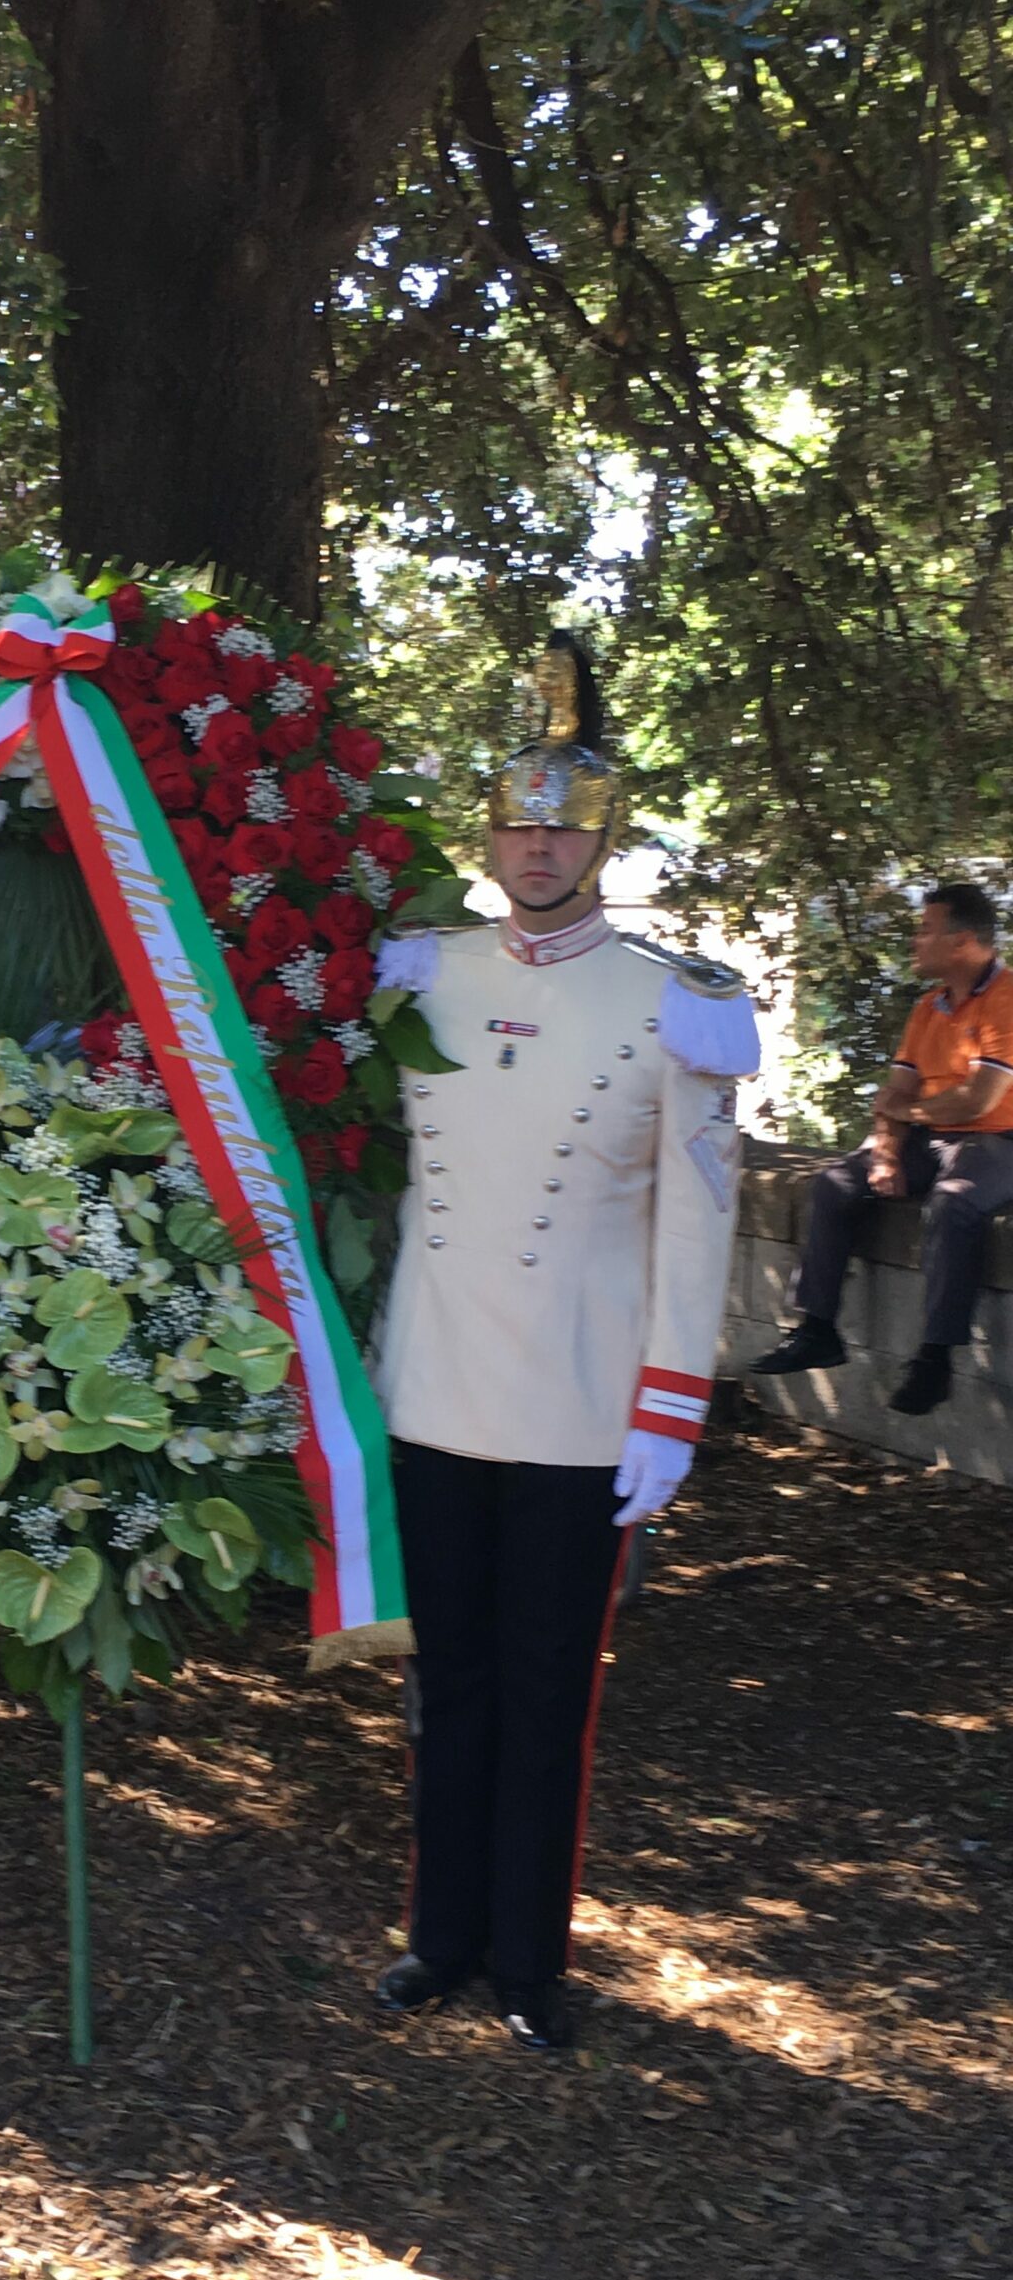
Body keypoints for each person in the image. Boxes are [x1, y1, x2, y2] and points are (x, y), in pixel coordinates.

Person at [370, 633, 759, 2050]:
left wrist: (669, 1406)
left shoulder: (682, 1000)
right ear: (487, 830)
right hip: (432, 1386)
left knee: (548, 1696)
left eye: (565, 822)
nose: (538, 846)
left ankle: (528, 1958)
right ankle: (441, 1938)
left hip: (583, 1403)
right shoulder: (418, 970)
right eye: (517, 820)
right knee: (444, 1681)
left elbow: (697, 1225)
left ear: (606, 837)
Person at [753, 881, 1013, 1416]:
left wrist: (906, 1116)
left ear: (962, 941)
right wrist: (888, 1152)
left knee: (955, 1202)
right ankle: (818, 1328)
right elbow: (895, 1091)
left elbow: (977, 1100)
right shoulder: (928, 1008)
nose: (915, 941)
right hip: (929, 1138)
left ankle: (934, 1357)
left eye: (925, 931)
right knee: (835, 1182)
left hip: (996, 1139)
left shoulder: (1008, 1000)